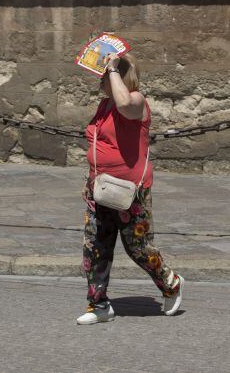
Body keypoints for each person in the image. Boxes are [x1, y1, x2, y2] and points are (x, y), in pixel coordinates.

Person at [77, 51, 184, 325]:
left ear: (119, 76)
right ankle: (98, 304)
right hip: (100, 189)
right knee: (95, 247)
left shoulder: (137, 101)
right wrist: (89, 180)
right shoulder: (103, 106)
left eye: (105, 75)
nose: (100, 80)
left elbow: (125, 104)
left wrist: (112, 67)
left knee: (138, 248)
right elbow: (99, 145)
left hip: (131, 191)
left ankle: (170, 283)